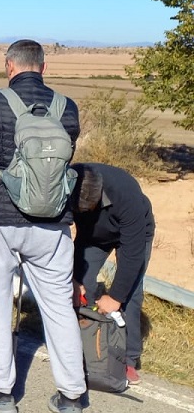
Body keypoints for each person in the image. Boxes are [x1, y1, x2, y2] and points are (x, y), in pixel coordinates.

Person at [0, 39, 85, 413]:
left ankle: (1, 394)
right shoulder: (67, 107)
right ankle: (71, 398)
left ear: (9, 66)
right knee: (59, 307)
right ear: (44, 68)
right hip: (53, 222)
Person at [71, 162, 155, 386]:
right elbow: (63, 232)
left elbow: (133, 256)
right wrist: (73, 278)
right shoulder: (67, 181)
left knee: (130, 294)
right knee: (81, 285)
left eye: (89, 207)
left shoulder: (126, 194)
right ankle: (88, 347)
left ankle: (127, 358)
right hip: (91, 236)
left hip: (134, 234)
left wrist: (115, 297)